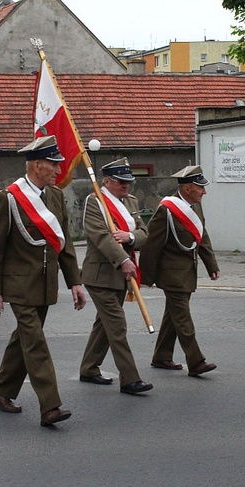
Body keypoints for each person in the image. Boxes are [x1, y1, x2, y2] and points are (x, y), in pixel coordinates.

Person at [0, 135, 85, 427]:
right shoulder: (9, 198)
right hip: (18, 285)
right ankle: (50, 405)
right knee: (36, 343)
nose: (58, 170)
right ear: (37, 165)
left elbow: (63, 244)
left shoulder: (54, 197)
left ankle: (0, 390)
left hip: (44, 282)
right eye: (53, 165)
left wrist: (74, 282)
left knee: (24, 339)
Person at [79, 158, 153, 395]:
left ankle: (89, 368)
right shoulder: (95, 201)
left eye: (129, 182)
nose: (126, 186)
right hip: (101, 274)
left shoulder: (130, 201)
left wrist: (130, 238)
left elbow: (143, 232)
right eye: (121, 182)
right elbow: (100, 236)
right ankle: (130, 379)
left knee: (104, 325)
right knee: (116, 325)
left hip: (123, 274)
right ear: (107, 181)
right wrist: (123, 260)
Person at [140, 165, 219, 377]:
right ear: (186, 188)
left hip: (187, 272)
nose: (204, 192)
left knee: (172, 316)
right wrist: (145, 276)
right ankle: (196, 361)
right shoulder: (166, 210)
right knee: (183, 318)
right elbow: (151, 244)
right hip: (171, 274)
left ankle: (161, 356)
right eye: (200, 187)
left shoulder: (195, 207)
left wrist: (211, 265)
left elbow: (202, 236)